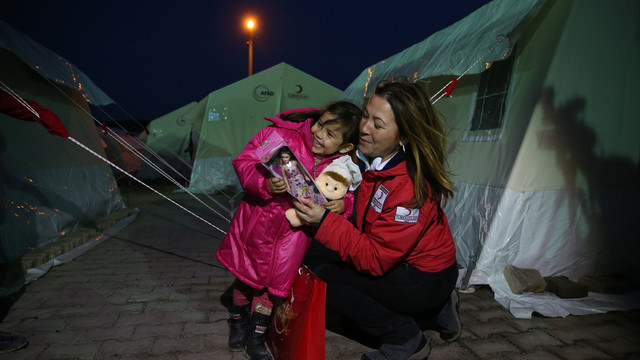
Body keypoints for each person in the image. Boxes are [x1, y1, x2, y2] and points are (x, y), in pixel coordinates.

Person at [292, 80, 461, 360]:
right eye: (366, 115)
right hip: (403, 264)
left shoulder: (408, 186)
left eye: (377, 124)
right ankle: (439, 308)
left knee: (327, 280)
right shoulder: (373, 158)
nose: (364, 127)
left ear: (403, 137)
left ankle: (407, 340)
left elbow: (374, 258)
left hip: (425, 278)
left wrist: (323, 221)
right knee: (336, 262)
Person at [215, 101, 362, 360]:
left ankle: (256, 337)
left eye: (330, 134)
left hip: (294, 238)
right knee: (245, 279)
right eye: (320, 124)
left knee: (273, 288)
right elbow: (244, 162)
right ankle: (237, 321)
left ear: (346, 146)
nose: (318, 134)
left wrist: (344, 205)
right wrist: (265, 184)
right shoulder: (279, 137)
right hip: (256, 227)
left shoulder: (343, 166)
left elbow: (348, 194)